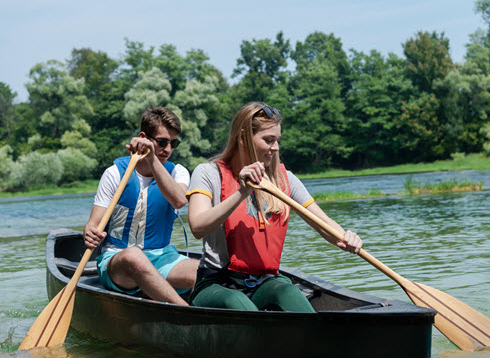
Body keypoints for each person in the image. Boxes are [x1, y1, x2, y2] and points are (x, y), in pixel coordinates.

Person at [186, 102, 362, 312]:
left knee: (288, 291)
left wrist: (346, 237)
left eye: (277, 140)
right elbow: (197, 227)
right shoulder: (207, 173)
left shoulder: (284, 179)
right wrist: (242, 192)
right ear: (243, 138)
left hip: (263, 283)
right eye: (268, 140)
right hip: (216, 284)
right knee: (237, 303)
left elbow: (324, 224)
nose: (276, 147)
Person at [84, 106, 198, 306]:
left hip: (162, 258)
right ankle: (185, 311)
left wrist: (153, 159)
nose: (169, 150)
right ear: (144, 137)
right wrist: (89, 233)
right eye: (162, 142)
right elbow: (93, 225)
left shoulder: (178, 172)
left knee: (205, 273)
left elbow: (179, 200)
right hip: (118, 262)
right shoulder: (114, 174)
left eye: (174, 143)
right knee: (134, 257)